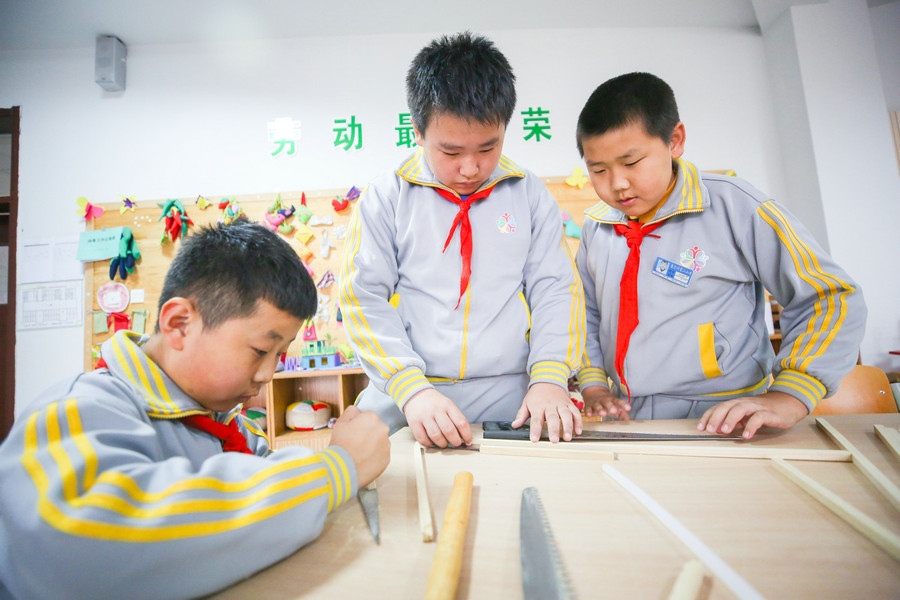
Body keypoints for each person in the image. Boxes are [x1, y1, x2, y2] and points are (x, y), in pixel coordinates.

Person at [0, 220, 390, 600]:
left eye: (280, 354)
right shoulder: (76, 410)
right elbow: (83, 550)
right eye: (260, 350)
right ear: (179, 324)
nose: (268, 374)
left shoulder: (223, 421)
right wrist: (336, 469)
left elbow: (258, 482)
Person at [574, 72, 866, 439]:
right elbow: (585, 315)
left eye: (631, 163)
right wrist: (594, 385)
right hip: (627, 417)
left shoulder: (736, 205)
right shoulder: (597, 227)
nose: (617, 183)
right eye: (598, 170)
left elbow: (829, 296)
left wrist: (791, 394)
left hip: (726, 418)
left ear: (675, 140)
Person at [339, 31, 586, 446]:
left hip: (510, 389)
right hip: (409, 388)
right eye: (451, 152)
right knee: (360, 459)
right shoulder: (387, 195)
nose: (471, 168)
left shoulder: (528, 193)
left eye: (488, 148)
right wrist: (410, 389)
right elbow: (362, 298)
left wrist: (549, 376)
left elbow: (556, 289)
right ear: (418, 131)